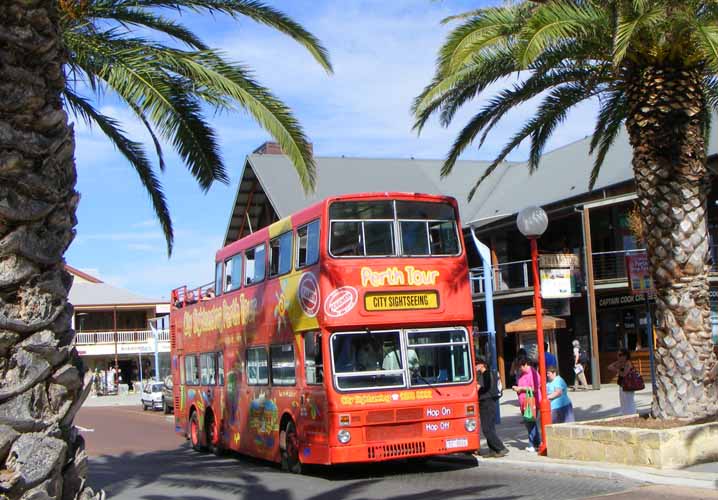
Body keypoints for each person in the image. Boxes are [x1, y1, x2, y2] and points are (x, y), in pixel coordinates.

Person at [475, 356, 508, 457]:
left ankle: (501, 448)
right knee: (490, 427)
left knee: (486, 429)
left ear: (482, 364)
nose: (475, 365)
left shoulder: (484, 375)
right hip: (492, 402)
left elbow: (477, 388)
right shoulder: (492, 373)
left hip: (486, 403)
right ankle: (493, 450)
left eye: (477, 363)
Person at [512, 356, 542, 452]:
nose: (519, 369)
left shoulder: (533, 373)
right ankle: (537, 443)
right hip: (524, 402)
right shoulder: (522, 374)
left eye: (520, 367)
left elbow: (535, 388)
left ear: (525, 364)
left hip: (531, 401)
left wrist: (521, 388)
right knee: (529, 423)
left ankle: (532, 444)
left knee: (530, 423)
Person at [608, 349, 636, 415]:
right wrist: (618, 365)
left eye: (620, 355)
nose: (618, 357)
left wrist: (617, 370)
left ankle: (631, 414)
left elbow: (624, 374)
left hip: (629, 384)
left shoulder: (628, 363)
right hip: (622, 384)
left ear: (625, 356)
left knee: (629, 400)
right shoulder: (620, 362)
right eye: (618, 355)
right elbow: (609, 367)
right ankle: (625, 413)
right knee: (623, 401)